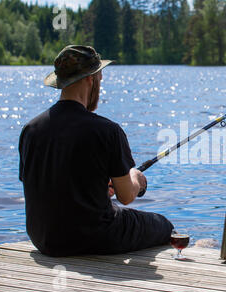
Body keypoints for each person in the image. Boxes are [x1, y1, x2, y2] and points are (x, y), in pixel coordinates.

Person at [18, 45, 174, 257]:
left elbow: (48, 184)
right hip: (94, 237)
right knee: (164, 225)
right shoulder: (107, 130)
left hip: (44, 239)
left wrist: (98, 186)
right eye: (100, 77)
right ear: (90, 79)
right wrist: (137, 179)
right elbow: (127, 196)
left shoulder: (31, 129)